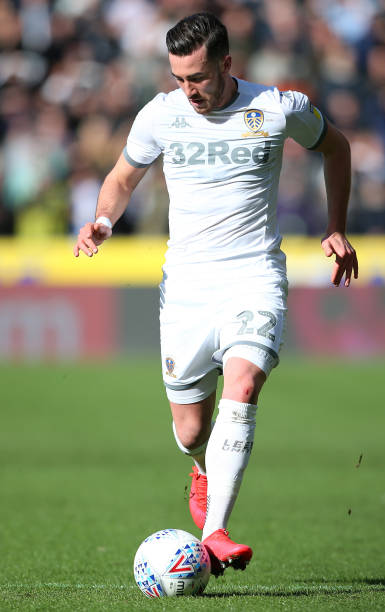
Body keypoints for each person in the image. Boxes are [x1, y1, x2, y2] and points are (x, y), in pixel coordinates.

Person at [73, 12, 358, 576]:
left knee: (244, 383)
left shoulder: (278, 108)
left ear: (227, 63)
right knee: (190, 431)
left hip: (253, 275)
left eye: (198, 77)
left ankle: (215, 533)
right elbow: (122, 178)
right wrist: (103, 220)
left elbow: (337, 148)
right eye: (180, 78)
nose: (190, 90)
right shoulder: (161, 114)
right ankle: (203, 469)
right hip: (186, 287)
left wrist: (336, 225)